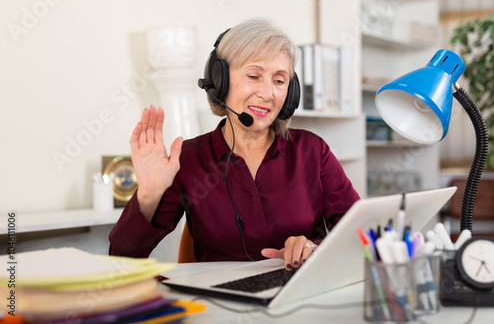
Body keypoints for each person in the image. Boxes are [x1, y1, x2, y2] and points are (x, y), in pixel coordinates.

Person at [109, 18, 360, 271]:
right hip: (221, 304)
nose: (268, 93)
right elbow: (122, 258)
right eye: (254, 75)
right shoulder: (187, 159)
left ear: (290, 93)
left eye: (280, 81)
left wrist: (314, 248)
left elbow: (360, 236)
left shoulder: (313, 151)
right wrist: (149, 195)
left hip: (300, 296)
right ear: (220, 81)